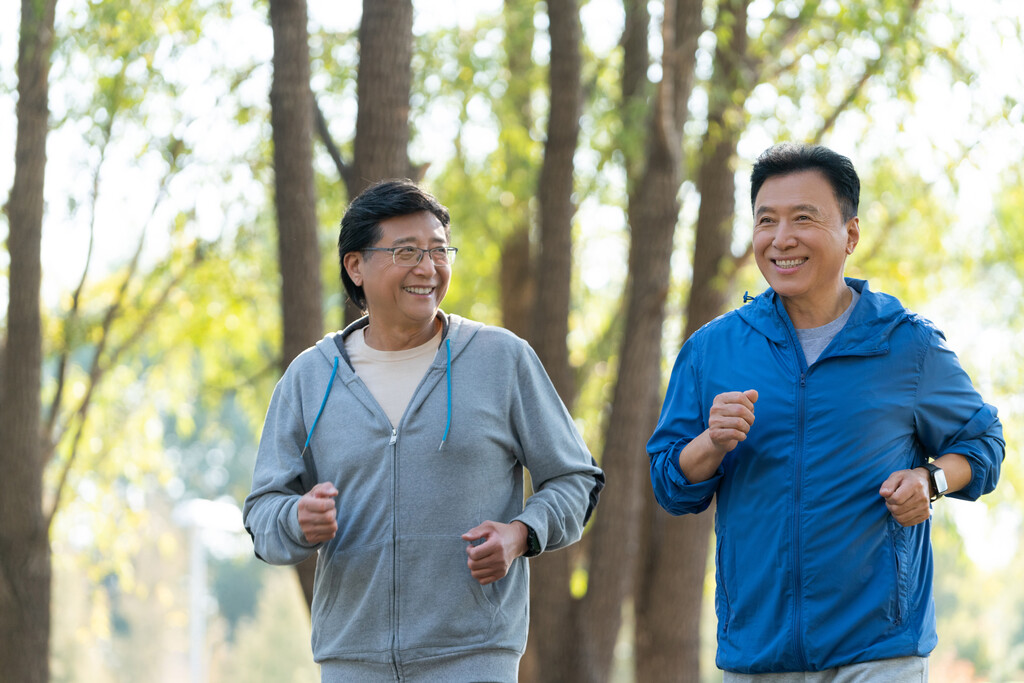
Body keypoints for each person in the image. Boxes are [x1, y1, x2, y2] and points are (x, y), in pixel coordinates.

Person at [647, 143, 1004, 680]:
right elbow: (669, 484)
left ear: (850, 235)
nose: (781, 238)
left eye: (803, 218)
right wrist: (711, 443)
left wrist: (930, 481)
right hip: (756, 654)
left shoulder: (907, 345)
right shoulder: (712, 350)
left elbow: (985, 444)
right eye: (766, 220)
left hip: (879, 652)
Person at [243, 179, 604, 682]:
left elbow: (576, 479)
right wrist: (297, 520)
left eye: (438, 251)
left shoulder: (502, 360)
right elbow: (262, 512)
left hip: (475, 659)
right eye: (407, 251)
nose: (428, 268)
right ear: (356, 265)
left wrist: (522, 534)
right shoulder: (309, 378)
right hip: (352, 664)